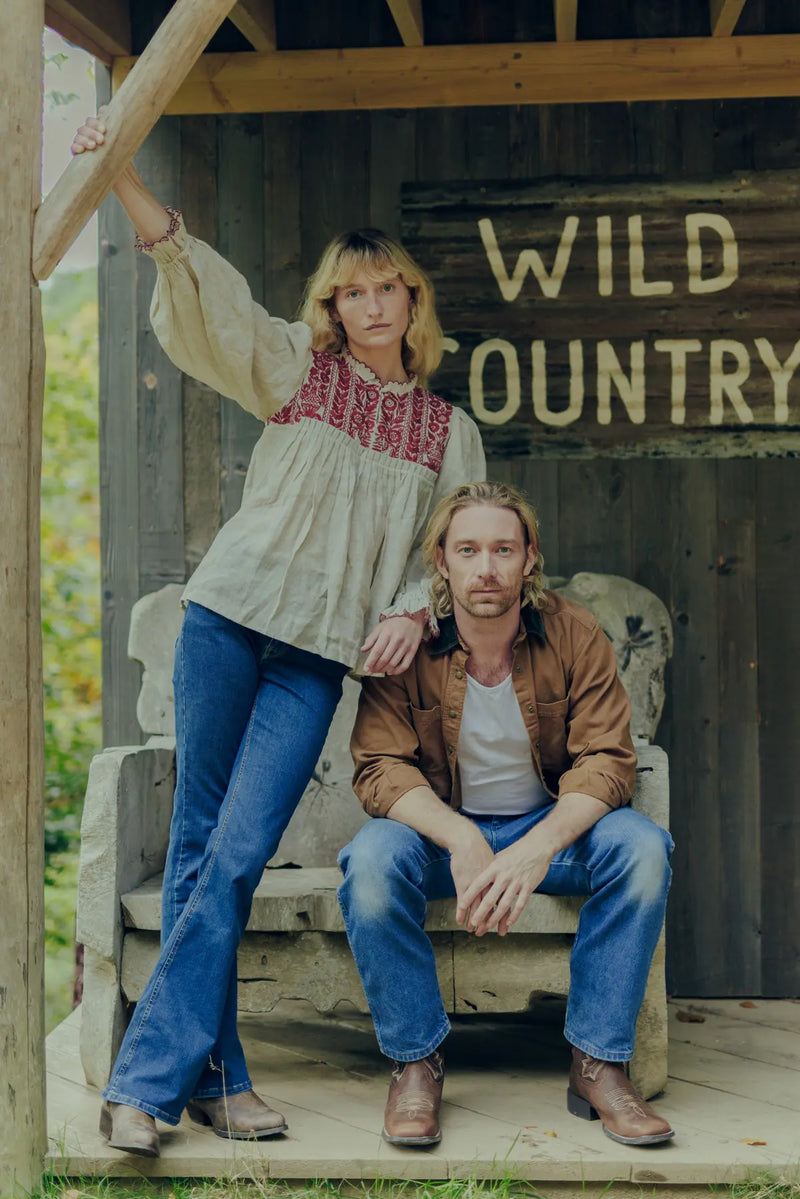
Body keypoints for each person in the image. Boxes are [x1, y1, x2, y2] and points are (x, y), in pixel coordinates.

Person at [71, 114, 485, 1157]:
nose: (369, 303)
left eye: (385, 286)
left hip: (310, 660)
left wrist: (408, 606)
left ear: (410, 300)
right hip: (222, 618)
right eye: (350, 290)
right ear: (332, 308)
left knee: (234, 852)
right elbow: (208, 293)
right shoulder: (300, 371)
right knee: (200, 850)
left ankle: (145, 1083)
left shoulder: (445, 430)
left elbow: (454, 545)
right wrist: (120, 173)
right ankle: (206, 1080)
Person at [339, 480, 675, 1149]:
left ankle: (597, 1063)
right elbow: (379, 767)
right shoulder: (410, 645)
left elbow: (608, 759)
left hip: (547, 829)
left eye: (502, 548)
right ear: (442, 560)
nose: (485, 567)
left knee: (642, 848)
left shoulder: (575, 632)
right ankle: (417, 1061)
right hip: (442, 834)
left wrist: (534, 849)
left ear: (529, 557)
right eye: (468, 549)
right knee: (369, 861)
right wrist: (461, 835)